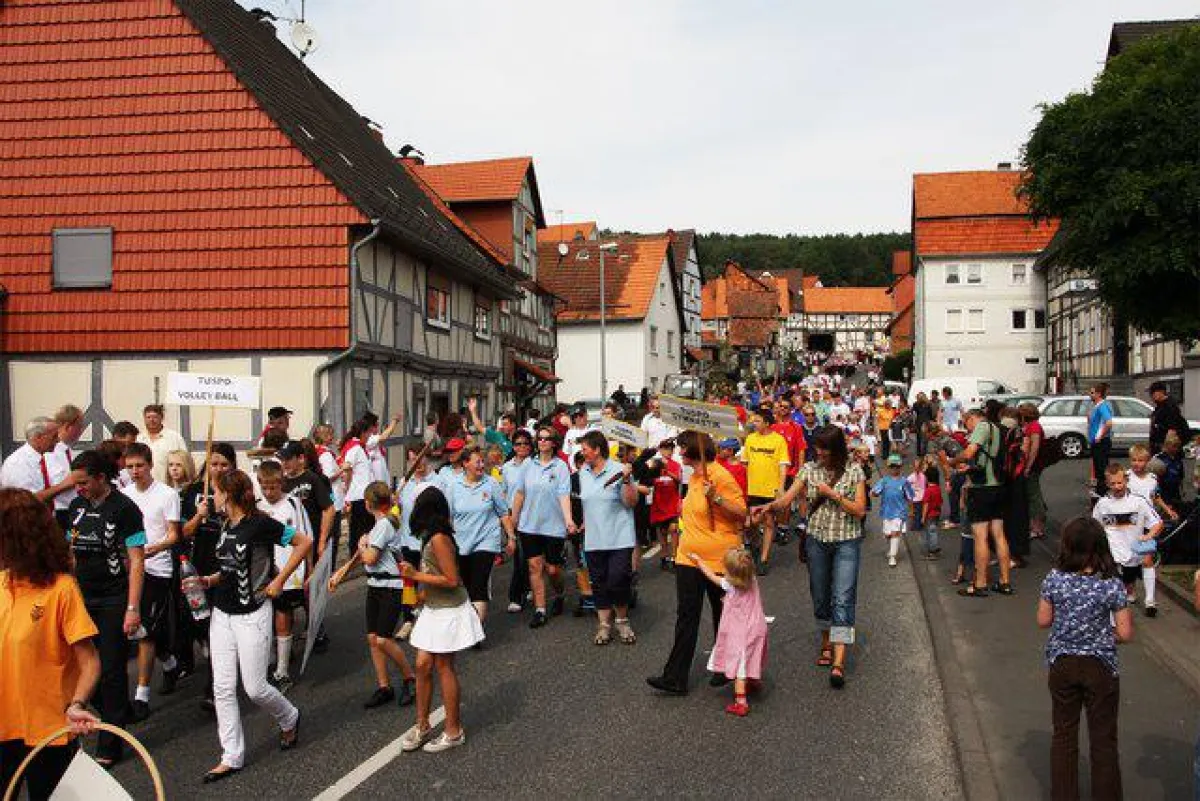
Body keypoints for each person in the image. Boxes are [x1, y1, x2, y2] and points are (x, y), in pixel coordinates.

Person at [186, 469, 309, 783]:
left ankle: (289, 716)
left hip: (253, 613)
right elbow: (228, 568)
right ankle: (231, 756)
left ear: (228, 493)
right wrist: (208, 579)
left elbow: (303, 543)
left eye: (216, 491)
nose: (212, 497)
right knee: (223, 688)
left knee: (254, 688)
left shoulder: (260, 523)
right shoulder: (226, 525)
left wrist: (279, 580)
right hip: (222, 615)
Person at [0, 489, 102, 800]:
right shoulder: (2, 582)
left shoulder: (62, 589)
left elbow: (89, 662)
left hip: (50, 730)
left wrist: (78, 704)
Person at [763, 426, 866, 689]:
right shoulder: (809, 469)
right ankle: (826, 638)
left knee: (842, 599)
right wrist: (768, 507)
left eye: (824, 448)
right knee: (820, 596)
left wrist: (833, 494)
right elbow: (786, 500)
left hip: (846, 541)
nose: (818, 452)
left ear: (836, 449)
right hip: (817, 541)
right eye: (817, 447)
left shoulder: (854, 470)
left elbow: (860, 510)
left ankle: (839, 661)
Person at [1037, 516, 1132, 801]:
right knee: (1103, 739)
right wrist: (1103, 635)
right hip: (1100, 666)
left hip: (1062, 662)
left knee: (1064, 735)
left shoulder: (1054, 578)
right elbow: (1125, 632)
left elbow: (1043, 620)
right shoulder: (1111, 584)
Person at [648, 431, 746, 695]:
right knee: (687, 616)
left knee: (721, 615)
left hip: (717, 558)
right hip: (688, 558)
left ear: (693, 450)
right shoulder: (693, 477)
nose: (678, 453)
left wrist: (718, 498)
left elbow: (741, 512)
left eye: (681, 448)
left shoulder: (720, 475)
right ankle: (675, 677)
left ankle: (726, 668)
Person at [65, 450, 145, 767]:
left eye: (84, 483)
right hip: (80, 597)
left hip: (113, 598)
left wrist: (132, 607)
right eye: (75, 484)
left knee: (111, 668)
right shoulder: (75, 507)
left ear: (101, 478)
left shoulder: (126, 509)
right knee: (83, 668)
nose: (78, 489)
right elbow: (69, 551)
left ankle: (110, 741)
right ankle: (118, 711)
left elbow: (136, 560)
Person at [398, 487, 483, 753]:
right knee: (423, 664)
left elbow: (452, 579)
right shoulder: (430, 537)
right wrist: (422, 592)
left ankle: (453, 730)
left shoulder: (438, 538)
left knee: (444, 666)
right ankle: (422, 724)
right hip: (434, 608)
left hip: (449, 609)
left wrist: (416, 576)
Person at [329, 481, 417, 708]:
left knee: (383, 639)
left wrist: (361, 546)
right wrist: (345, 567)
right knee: (373, 638)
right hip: (376, 585)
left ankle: (410, 678)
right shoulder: (381, 524)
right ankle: (384, 686)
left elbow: (370, 558)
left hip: (390, 586)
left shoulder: (384, 525)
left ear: (368, 504)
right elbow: (367, 554)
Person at [121, 443, 182, 717]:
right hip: (130, 570)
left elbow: (173, 534)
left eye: (139, 466)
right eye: (130, 466)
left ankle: (141, 696)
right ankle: (169, 663)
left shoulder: (167, 494)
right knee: (143, 629)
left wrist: (153, 549)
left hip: (157, 570)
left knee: (144, 630)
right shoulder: (123, 496)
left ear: (149, 465)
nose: (134, 472)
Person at [180, 443, 236, 709]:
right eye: (214, 464)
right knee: (198, 624)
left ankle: (215, 688)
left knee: (218, 628)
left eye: (224, 464)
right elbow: (183, 532)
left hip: (226, 567)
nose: (218, 469)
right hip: (198, 566)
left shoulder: (238, 491)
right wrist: (198, 517)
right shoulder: (193, 493)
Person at [576, 431, 640, 646]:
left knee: (618, 579)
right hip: (594, 538)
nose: (582, 453)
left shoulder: (618, 469)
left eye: (585, 449)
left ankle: (622, 619)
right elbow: (587, 501)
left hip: (619, 537)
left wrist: (627, 480)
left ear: (597, 450)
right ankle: (604, 624)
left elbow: (631, 502)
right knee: (599, 583)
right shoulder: (583, 471)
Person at [687, 546, 768, 717]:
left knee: (739, 667)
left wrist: (699, 561)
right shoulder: (752, 580)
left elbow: (711, 576)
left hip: (740, 633)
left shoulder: (729, 585)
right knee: (752, 656)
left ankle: (741, 701)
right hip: (757, 627)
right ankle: (754, 679)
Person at [254, 461, 312, 694]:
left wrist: (310, 570)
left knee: (283, 616)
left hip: (289, 571)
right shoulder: (255, 506)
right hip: (262, 572)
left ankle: (282, 669)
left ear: (281, 483)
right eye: (264, 487)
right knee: (262, 617)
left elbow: (306, 538)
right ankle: (267, 660)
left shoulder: (293, 504)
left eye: (273, 488)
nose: (269, 493)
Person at [443, 445, 516, 626]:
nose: (482, 465)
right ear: (465, 464)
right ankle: (471, 623)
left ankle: (476, 631)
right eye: (477, 462)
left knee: (479, 583)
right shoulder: (453, 487)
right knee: (467, 585)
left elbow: (503, 513)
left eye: (482, 461)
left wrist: (511, 537)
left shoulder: (491, 483)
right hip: (462, 544)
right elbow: (448, 518)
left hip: (486, 542)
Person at [512, 426, 574, 628]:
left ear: (554, 443)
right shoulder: (528, 465)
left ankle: (559, 593)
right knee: (534, 566)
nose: (542, 442)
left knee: (553, 569)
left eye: (547, 439)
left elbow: (564, 495)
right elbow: (520, 493)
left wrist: (568, 520)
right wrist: (514, 518)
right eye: (539, 439)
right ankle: (540, 609)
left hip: (553, 526)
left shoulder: (561, 467)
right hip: (529, 525)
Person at [954, 405, 1013, 598]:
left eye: (966, 423)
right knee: (999, 535)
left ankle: (980, 584)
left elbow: (970, 452)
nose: (967, 428)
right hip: (999, 486)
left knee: (980, 536)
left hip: (982, 489)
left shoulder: (981, 427)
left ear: (973, 418)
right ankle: (1005, 582)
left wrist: (955, 460)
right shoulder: (997, 428)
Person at [1093, 463, 1162, 617]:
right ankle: (1113, 619)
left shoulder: (1139, 502)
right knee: (1115, 588)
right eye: (1113, 483)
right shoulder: (1102, 504)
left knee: (1146, 562)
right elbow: (1094, 528)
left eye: (1120, 482)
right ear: (1107, 483)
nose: (1117, 486)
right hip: (1113, 554)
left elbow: (1157, 523)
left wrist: (1149, 535)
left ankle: (1150, 602)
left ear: (1126, 481)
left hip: (1135, 551)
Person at [742, 413, 789, 574]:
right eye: (753, 420)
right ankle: (756, 545)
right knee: (750, 524)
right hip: (752, 489)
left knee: (769, 522)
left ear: (767, 423)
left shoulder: (778, 440)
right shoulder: (750, 439)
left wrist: (781, 488)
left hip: (771, 488)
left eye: (757, 420)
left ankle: (763, 558)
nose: (753, 423)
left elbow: (783, 465)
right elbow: (745, 464)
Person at [0, 417, 79, 505]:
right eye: (54, 436)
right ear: (38, 437)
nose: (58, 440)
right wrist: (64, 484)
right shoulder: (18, 463)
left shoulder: (41, 458)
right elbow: (29, 499)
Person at [501, 430, 533, 615]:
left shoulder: (534, 465)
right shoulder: (507, 468)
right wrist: (504, 516)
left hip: (530, 515)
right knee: (519, 557)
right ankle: (516, 595)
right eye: (518, 444)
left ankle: (524, 589)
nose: (521, 447)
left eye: (525, 443)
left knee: (528, 557)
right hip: (512, 516)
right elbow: (504, 492)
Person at [45, 405, 85, 530]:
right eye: (80, 426)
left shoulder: (69, 451)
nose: (82, 431)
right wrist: (77, 478)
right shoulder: (51, 452)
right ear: (68, 426)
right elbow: (55, 482)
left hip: (72, 509)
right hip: (60, 511)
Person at [340, 419, 375, 557]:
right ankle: (355, 557)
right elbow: (346, 467)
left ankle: (364, 555)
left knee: (367, 528)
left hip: (365, 494)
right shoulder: (354, 448)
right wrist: (347, 489)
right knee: (358, 529)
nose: (369, 437)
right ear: (363, 433)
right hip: (358, 495)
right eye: (368, 433)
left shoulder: (360, 447)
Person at [873, 454, 915, 568]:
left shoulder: (904, 482)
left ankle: (892, 556)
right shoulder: (884, 481)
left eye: (897, 466)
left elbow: (910, 497)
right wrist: (873, 493)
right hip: (886, 512)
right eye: (892, 466)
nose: (894, 469)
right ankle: (891, 548)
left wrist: (911, 511)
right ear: (888, 467)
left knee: (895, 533)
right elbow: (875, 492)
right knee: (888, 534)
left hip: (899, 512)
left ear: (900, 467)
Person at [648, 439, 683, 572]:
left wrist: (667, 471)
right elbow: (649, 480)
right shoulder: (654, 464)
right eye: (665, 449)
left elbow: (679, 480)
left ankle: (674, 558)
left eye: (670, 449)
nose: (668, 451)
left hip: (672, 502)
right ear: (660, 450)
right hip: (659, 503)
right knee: (662, 533)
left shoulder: (676, 465)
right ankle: (664, 557)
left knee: (674, 530)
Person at [137, 404, 188, 484]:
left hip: (169, 486)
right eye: (148, 417)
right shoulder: (139, 439)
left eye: (155, 417)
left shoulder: (174, 437)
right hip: (145, 486)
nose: (151, 420)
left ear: (162, 418)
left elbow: (185, 462)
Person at [1019, 404, 1048, 540]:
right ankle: (1036, 524)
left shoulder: (1034, 426)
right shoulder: (1032, 425)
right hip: (1033, 464)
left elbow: (1034, 448)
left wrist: (1028, 466)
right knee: (1033, 493)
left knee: (1033, 494)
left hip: (1033, 465)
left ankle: (1037, 528)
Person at [1148, 380, 1189, 455]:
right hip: (1159, 447)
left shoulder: (1170, 407)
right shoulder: (1160, 406)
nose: (1151, 396)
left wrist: (1166, 449)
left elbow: (1172, 430)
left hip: (1166, 449)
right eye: (1151, 393)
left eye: (1153, 392)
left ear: (1161, 392)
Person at [1087, 383, 1114, 485]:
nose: (1090, 394)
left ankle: (1103, 491)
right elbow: (1096, 423)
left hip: (1101, 442)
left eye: (1092, 392)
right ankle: (1100, 490)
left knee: (1101, 469)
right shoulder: (1097, 406)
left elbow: (1109, 422)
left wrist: (1100, 436)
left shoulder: (1102, 406)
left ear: (1098, 394)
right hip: (1096, 442)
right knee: (1098, 469)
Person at [921, 465, 943, 559]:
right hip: (937, 513)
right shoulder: (938, 488)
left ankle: (933, 550)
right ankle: (934, 548)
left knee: (930, 532)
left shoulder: (928, 490)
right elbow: (941, 501)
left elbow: (926, 504)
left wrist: (923, 517)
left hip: (929, 515)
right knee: (933, 530)